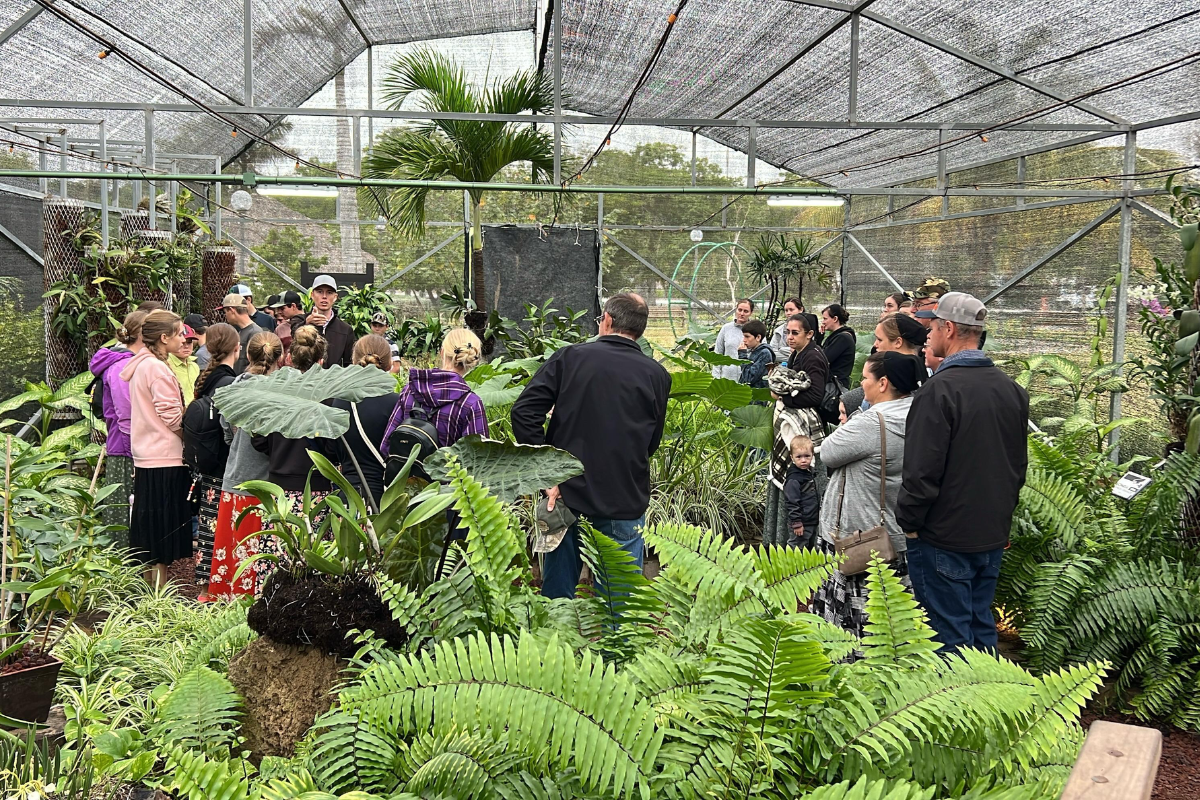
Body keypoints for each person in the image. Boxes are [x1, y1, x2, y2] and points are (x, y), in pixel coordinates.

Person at [511, 293, 670, 599]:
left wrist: (547, 474)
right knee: (619, 602)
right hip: (624, 497)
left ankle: (557, 647)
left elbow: (524, 412)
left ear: (607, 320)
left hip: (565, 494)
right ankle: (614, 648)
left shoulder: (570, 358)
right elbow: (651, 441)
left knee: (557, 600)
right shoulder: (657, 375)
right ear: (640, 330)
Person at [897, 292, 1029, 654]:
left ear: (949, 329)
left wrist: (909, 522)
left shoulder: (939, 391)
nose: (928, 334)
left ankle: (953, 707)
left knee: (947, 636)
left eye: (933, 326)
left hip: (943, 538)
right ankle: (990, 704)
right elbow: (1018, 467)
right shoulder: (1011, 390)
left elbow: (921, 471)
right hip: (989, 535)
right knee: (979, 624)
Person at [811, 351, 925, 639]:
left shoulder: (871, 422)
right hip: (894, 530)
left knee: (854, 615)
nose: (861, 385)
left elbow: (827, 452)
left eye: (864, 379)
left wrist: (856, 416)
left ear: (883, 383)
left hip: (858, 536)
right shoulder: (920, 413)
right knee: (891, 617)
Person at [119, 310, 192, 587]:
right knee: (162, 530)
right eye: (178, 333)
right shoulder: (157, 369)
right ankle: (160, 592)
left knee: (148, 527)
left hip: (146, 455)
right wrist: (189, 437)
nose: (183, 338)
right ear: (164, 338)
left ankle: (149, 587)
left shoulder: (141, 364)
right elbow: (171, 416)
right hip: (165, 456)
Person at [208, 332, 282, 599]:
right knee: (263, 550)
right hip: (269, 483)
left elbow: (227, 434)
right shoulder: (282, 393)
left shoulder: (231, 389)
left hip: (236, 477)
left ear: (248, 355)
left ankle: (228, 598)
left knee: (234, 547)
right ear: (280, 358)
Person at [762, 313, 828, 547]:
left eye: (795, 333)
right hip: (794, 431)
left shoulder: (813, 357)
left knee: (801, 486)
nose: (789, 337)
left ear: (810, 334)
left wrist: (782, 397)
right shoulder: (799, 353)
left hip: (803, 436)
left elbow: (815, 395)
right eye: (788, 332)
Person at [382, 329, 488, 459]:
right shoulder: (470, 403)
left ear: (442, 352)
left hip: (407, 477)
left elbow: (386, 445)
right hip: (449, 478)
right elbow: (478, 461)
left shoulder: (410, 390)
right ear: (474, 360)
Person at [189, 323, 240, 594]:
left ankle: (205, 585)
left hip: (206, 466)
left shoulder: (205, 379)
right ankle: (216, 587)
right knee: (221, 526)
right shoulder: (230, 383)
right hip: (224, 465)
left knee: (209, 525)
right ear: (237, 348)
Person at [89, 309, 146, 545]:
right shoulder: (122, 366)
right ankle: (123, 569)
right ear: (143, 333)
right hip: (126, 449)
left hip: (131, 446)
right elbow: (126, 414)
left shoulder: (129, 362)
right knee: (122, 513)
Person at [331, 335, 401, 509]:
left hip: (348, 498)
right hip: (386, 501)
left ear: (354, 361)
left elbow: (333, 450)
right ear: (390, 365)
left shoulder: (339, 401)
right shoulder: (397, 403)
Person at [305, 275, 355, 368]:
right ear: (312, 294)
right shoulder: (301, 321)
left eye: (329, 292)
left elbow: (349, 364)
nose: (324, 297)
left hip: (334, 380)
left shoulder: (345, 330)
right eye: (320, 292)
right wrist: (307, 324)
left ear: (335, 297)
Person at [783, 435, 819, 549]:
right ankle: (791, 566)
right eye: (799, 457)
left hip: (811, 519)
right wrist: (797, 523)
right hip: (801, 522)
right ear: (792, 457)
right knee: (796, 547)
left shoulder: (809, 472)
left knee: (808, 546)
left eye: (807, 456)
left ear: (812, 455)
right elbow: (792, 502)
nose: (803, 460)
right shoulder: (794, 478)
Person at [219, 292, 262, 374]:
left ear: (232, 310)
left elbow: (257, 366)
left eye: (225, 312)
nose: (225, 315)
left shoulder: (255, 332)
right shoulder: (241, 331)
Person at [713, 298, 752, 380]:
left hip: (748, 377)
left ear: (751, 313)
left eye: (746, 311)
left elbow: (761, 352)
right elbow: (717, 353)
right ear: (736, 310)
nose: (742, 313)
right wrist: (716, 377)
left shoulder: (755, 330)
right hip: (727, 378)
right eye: (740, 310)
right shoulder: (726, 328)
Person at [820, 304, 856, 388]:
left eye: (825, 318)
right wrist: (820, 336)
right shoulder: (838, 336)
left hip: (836, 385)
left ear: (835, 319)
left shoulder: (843, 338)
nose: (823, 322)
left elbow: (823, 359)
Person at [169, 324, 201, 405]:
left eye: (189, 342)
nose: (186, 346)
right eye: (182, 343)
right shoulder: (165, 365)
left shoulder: (194, 366)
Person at [738, 319, 774, 389]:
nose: (744, 340)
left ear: (758, 337)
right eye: (744, 336)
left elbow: (749, 378)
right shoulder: (753, 351)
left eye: (747, 336)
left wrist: (742, 356)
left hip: (757, 397)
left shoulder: (764, 353)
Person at [768, 298, 802, 364]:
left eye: (791, 310)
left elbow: (804, 353)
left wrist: (781, 349)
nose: (788, 313)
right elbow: (771, 353)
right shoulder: (779, 331)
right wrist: (791, 352)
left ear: (801, 310)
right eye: (786, 310)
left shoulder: (807, 329)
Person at [274, 290, 305, 355]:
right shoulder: (280, 329)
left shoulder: (311, 321)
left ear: (293, 306)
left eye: (282, 308)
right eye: (278, 309)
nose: (278, 312)